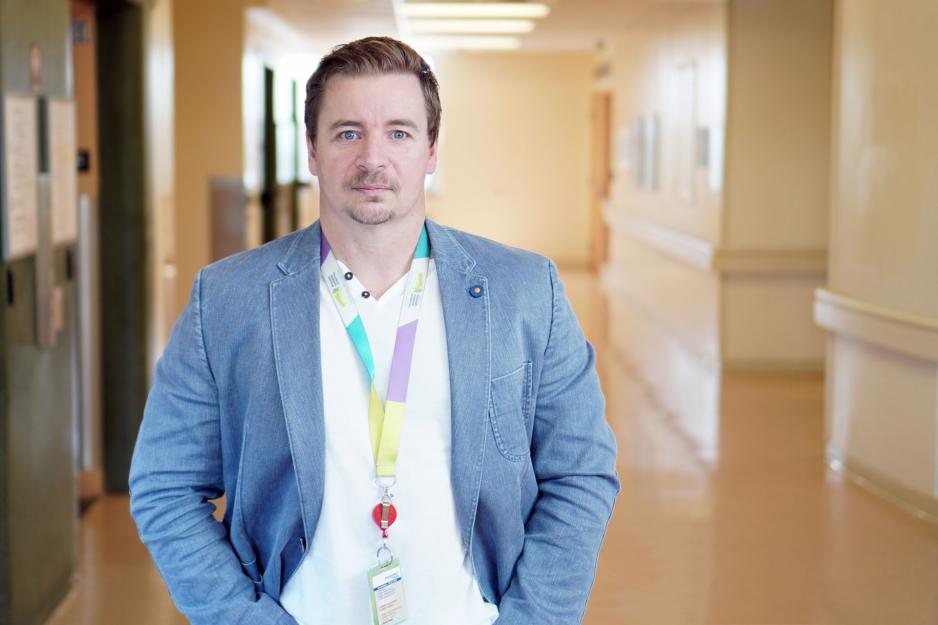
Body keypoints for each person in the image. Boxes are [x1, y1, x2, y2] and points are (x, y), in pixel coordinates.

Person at [129, 36, 619, 625]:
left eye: (399, 132)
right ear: (311, 149)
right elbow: (164, 489)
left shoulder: (524, 291)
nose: (372, 158)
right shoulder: (229, 300)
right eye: (347, 132)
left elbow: (581, 473)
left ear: (431, 150)